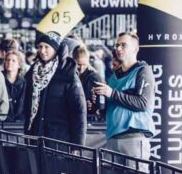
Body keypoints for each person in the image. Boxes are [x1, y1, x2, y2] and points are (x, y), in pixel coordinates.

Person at [92, 32, 154, 160]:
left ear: (135, 49)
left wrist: (111, 93)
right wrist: (96, 105)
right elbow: (110, 109)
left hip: (133, 137)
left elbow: (143, 103)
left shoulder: (143, 71)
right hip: (113, 138)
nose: (118, 49)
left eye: (123, 45)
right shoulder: (113, 78)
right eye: (117, 45)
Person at [23, 32, 86, 145]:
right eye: (40, 47)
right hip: (35, 137)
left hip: (60, 141)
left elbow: (79, 111)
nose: (42, 51)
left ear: (56, 49)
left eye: (47, 47)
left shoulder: (68, 72)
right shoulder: (33, 72)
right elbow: (27, 106)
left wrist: (77, 145)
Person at [73, 44, 105, 121]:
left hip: (89, 117)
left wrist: (93, 105)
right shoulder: (70, 75)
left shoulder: (94, 77)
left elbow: (100, 101)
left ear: (88, 61)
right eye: (78, 65)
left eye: (84, 65)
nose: (81, 68)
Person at [2, 50, 27, 123]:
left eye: (13, 61)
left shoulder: (24, 83)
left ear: (19, 65)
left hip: (18, 122)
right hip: (1, 120)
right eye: (8, 60)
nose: (10, 62)